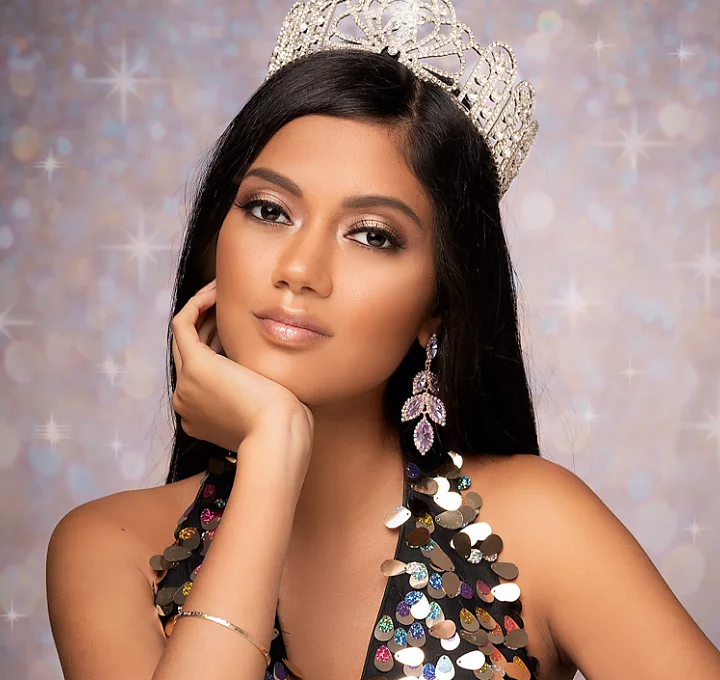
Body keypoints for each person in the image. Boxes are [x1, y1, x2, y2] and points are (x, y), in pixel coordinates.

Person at [45, 2, 720, 680]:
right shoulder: (111, 550)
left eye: (372, 235)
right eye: (269, 210)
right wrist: (273, 450)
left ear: (439, 304)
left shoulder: (543, 528)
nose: (299, 270)